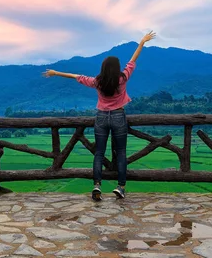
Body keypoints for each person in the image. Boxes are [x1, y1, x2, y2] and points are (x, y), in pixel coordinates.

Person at [42, 31, 156, 201]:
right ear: (117, 68)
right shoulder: (122, 78)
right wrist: (142, 42)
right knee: (122, 152)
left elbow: (76, 76)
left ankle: (97, 186)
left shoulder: (97, 81)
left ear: (103, 68)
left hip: (101, 117)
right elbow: (133, 60)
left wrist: (56, 73)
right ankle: (121, 187)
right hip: (118, 116)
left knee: (99, 153)